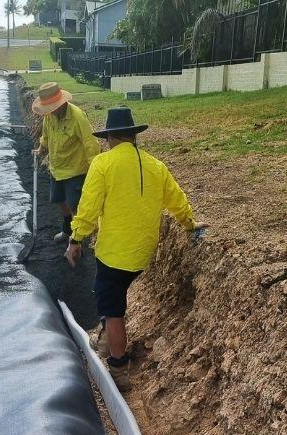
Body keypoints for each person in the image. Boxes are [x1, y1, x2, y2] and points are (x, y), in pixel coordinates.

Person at [66, 107, 204, 391]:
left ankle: (118, 367)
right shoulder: (156, 166)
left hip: (113, 254)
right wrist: (190, 224)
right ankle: (106, 335)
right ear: (133, 136)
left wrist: (76, 239)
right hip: (143, 253)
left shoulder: (103, 164)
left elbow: (88, 208)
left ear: (110, 138)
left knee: (113, 309)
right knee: (112, 296)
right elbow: (177, 200)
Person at [32, 82, 99, 244]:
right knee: (59, 200)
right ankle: (67, 229)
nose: (50, 111)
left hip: (76, 170)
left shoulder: (77, 116)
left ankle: (76, 241)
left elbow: (90, 144)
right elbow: (46, 136)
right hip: (56, 168)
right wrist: (40, 149)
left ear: (61, 102)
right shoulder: (49, 116)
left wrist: (95, 170)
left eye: (52, 107)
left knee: (75, 206)